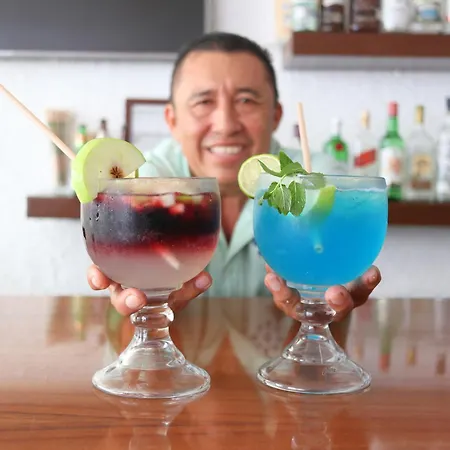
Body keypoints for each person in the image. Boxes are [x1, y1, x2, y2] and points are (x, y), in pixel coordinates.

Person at [87, 32, 381, 321]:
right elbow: (122, 305)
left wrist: (331, 299)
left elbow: (346, 261)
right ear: (172, 120)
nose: (226, 124)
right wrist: (136, 300)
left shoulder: (319, 178)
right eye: (204, 102)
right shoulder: (142, 184)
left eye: (246, 101)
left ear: (275, 116)